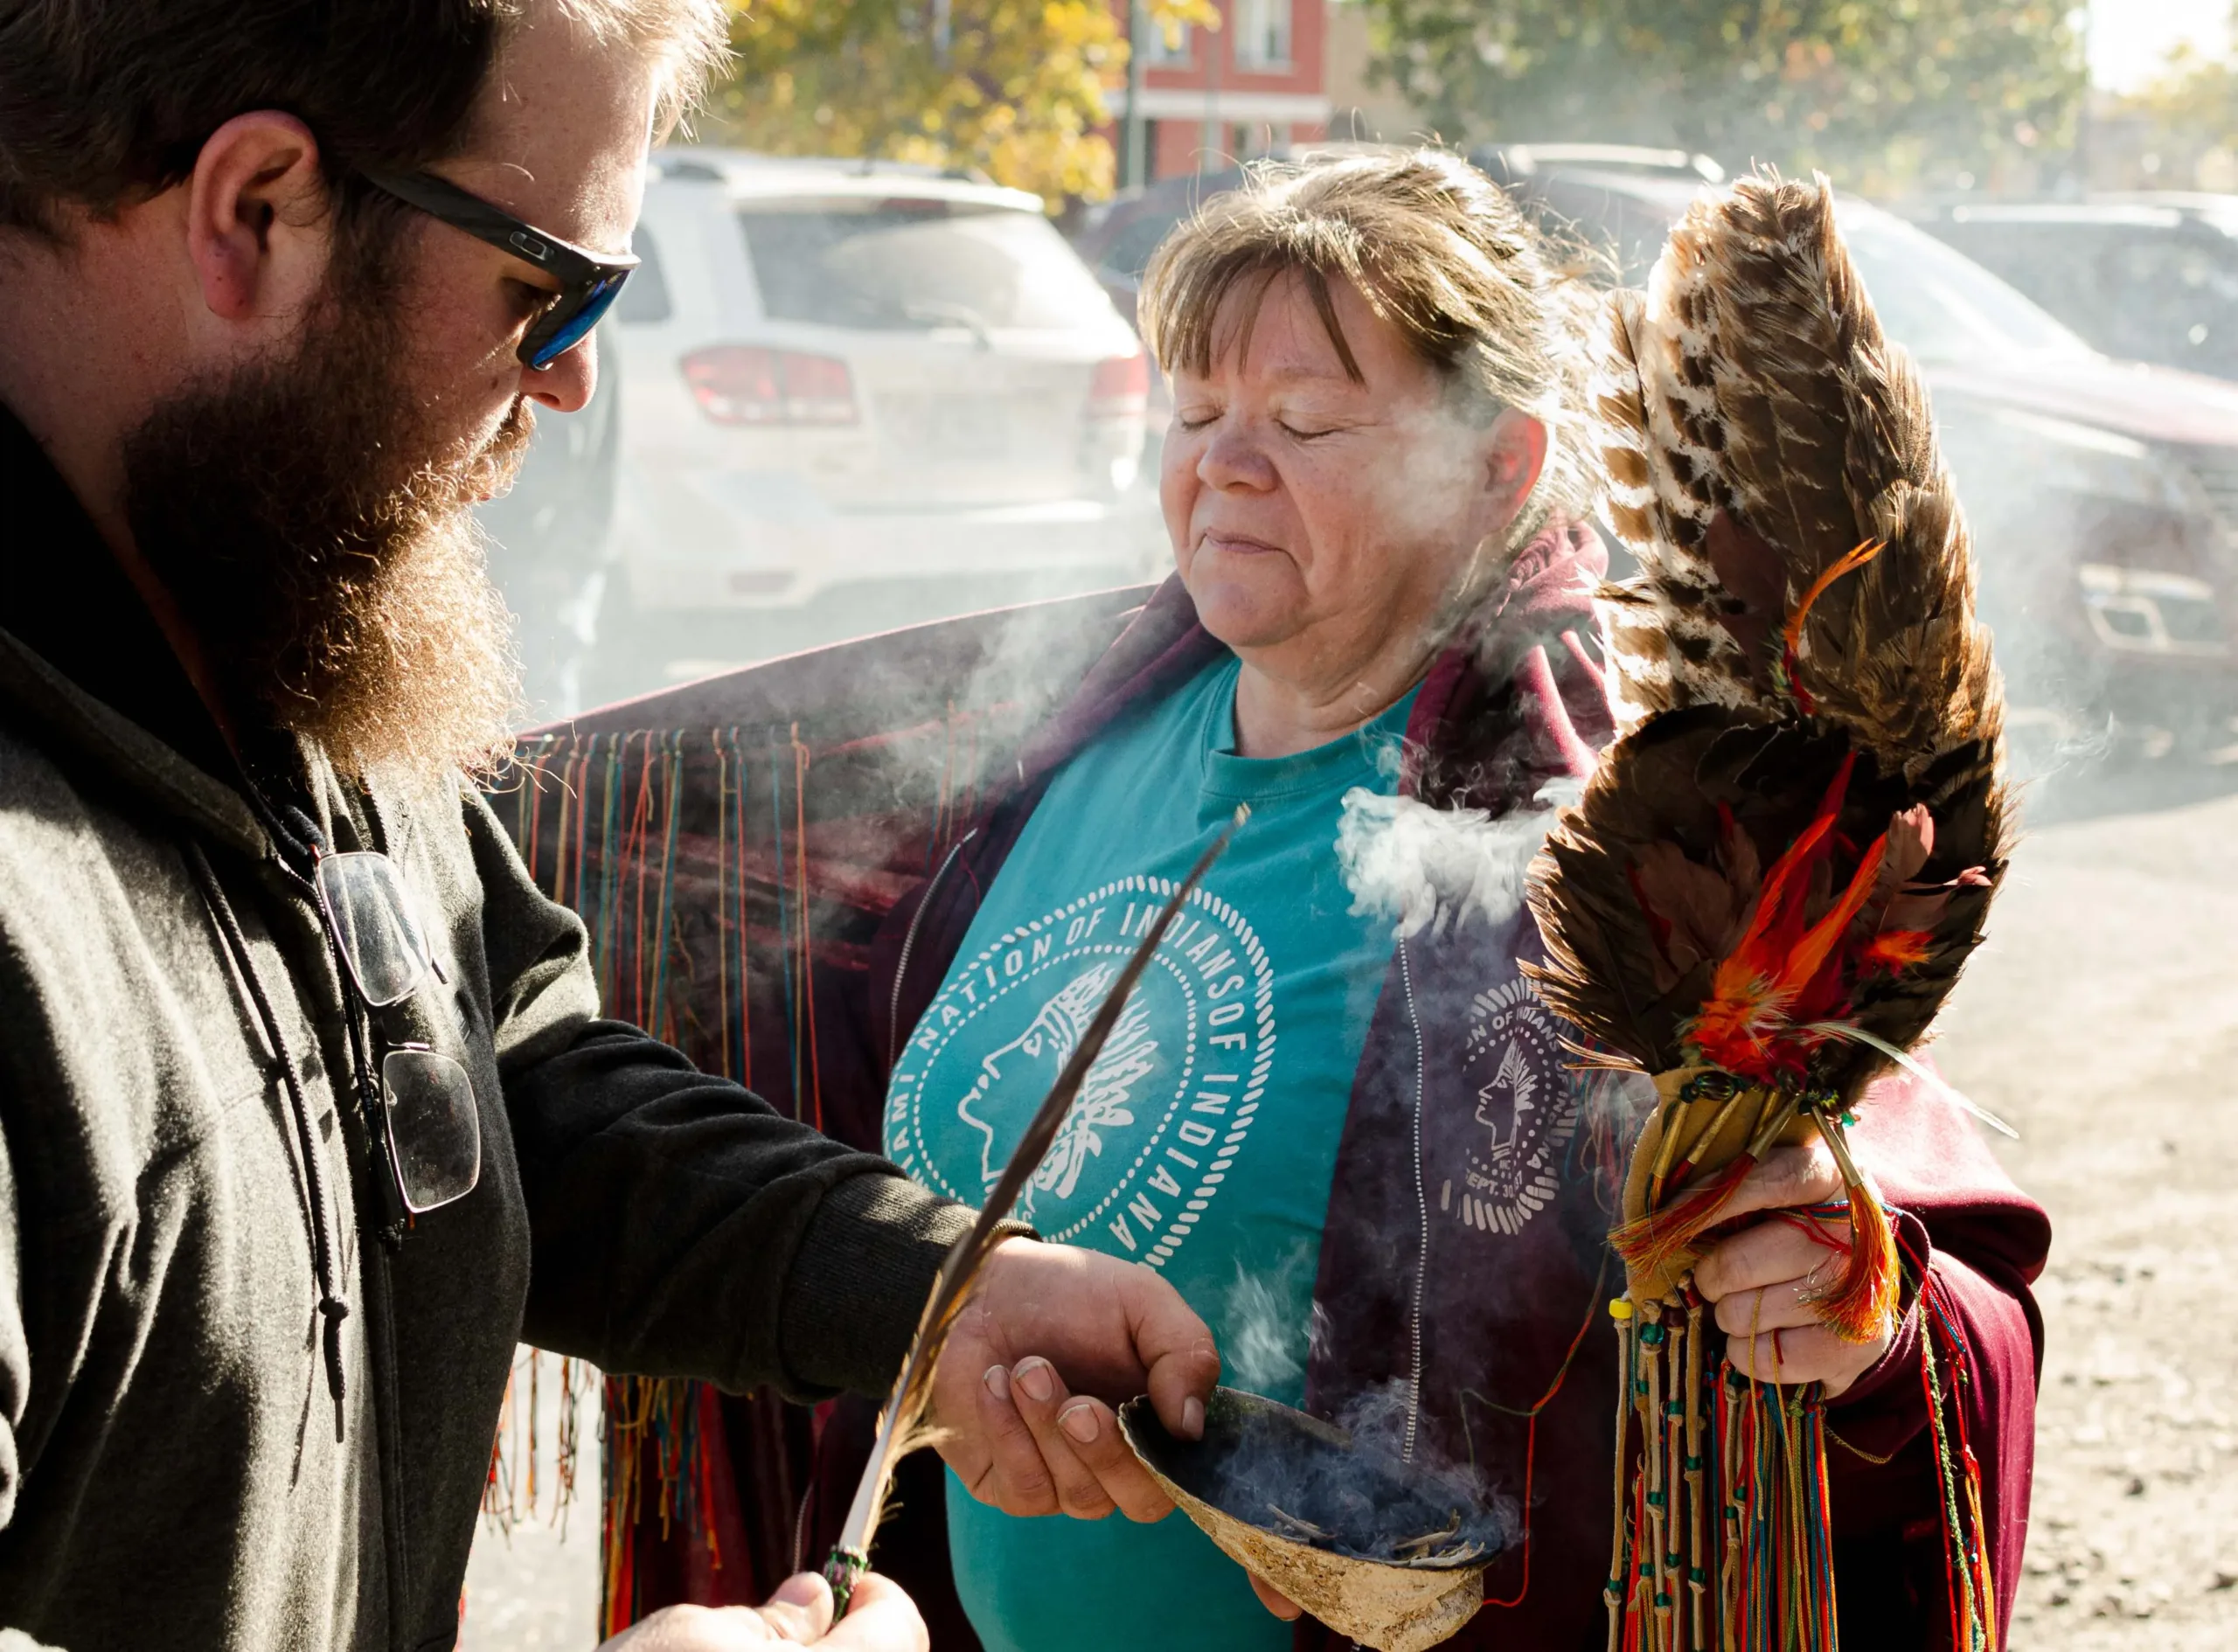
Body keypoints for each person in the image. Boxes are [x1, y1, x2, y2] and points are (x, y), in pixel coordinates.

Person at [0, 3, 1220, 1649]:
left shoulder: (251, 581)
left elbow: (495, 1075)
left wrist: (927, 1292)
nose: (572, 379)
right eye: (550, 288)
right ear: (262, 210)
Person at [765, 152, 2050, 1651]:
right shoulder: (1063, 741)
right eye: (1195, 411)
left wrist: (1860, 1312)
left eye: (1305, 420)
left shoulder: (1617, 854)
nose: (1225, 464)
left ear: (1501, 465)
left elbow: (1917, 1283)